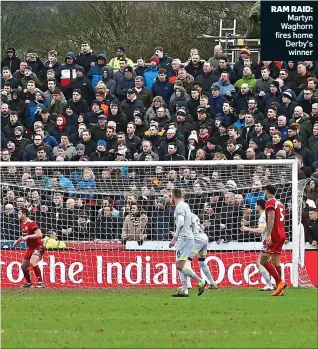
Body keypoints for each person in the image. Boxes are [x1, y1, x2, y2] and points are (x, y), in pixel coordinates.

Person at [169, 188, 207, 297]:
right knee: (182, 264)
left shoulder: (179, 206)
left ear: (173, 195)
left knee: (179, 266)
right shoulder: (186, 205)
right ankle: (184, 290)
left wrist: (174, 238)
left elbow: (180, 223)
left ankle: (200, 281)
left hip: (184, 238)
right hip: (189, 237)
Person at [260, 184, 287, 296]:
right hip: (282, 233)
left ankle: (280, 282)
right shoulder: (280, 204)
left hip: (275, 234)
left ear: (266, 192)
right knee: (276, 261)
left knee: (263, 260)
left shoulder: (269, 202)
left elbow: (271, 218)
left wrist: (269, 234)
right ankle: (280, 289)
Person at [180, 213, 218, 291]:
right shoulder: (194, 215)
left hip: (197, 239)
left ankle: (188, 285)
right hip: (204, 237)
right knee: (202, 262)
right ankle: (212, 283)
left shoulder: (185, 217)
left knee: (185, 261)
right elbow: (200, 227)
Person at [241, 199, 273, 291]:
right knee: (266, 263)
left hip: (268, 242)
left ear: (259, 206)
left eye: (255, 205)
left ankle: (271, 284)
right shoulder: (266, 215)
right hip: (270, 241)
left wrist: (247, 228)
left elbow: (261, 230)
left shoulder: (263, 216)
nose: (254, 207)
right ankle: (272, 284)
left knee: (260, 263)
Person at [13, 208, 46, 288]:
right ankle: (29, 283)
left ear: (24, 214)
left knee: (32, 262)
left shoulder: (31, 223)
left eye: (19, 214)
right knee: (23, 267)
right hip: (31, 248)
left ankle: (40, 283)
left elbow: (39, 234)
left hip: (39, 247)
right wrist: (18, 241)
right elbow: (24, 236)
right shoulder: (23, 224)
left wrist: (28, 236)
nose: (18, 215)